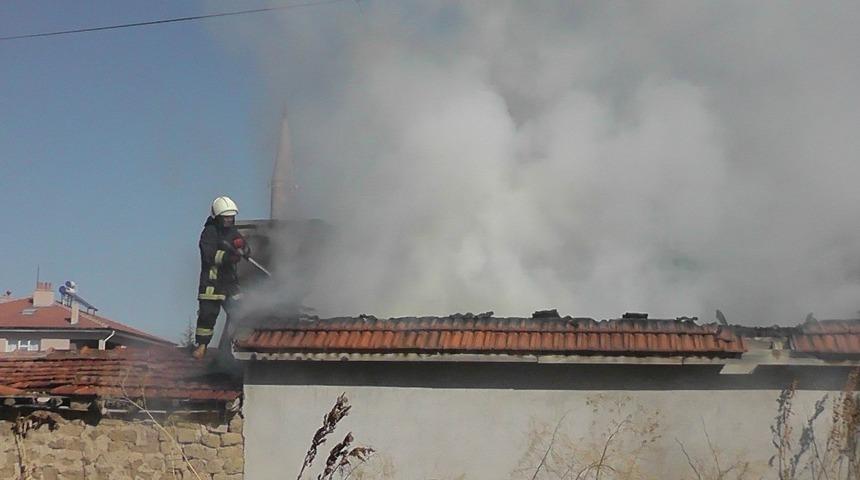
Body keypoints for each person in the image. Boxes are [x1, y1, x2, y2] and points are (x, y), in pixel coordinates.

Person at [192, 196, 250, 359]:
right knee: (207, 316)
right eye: (226, 217)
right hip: (212, 282)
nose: (229, 220)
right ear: (217, 217)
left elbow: (244, 246)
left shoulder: (233, 232)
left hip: (230, 282)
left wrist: (244, 248)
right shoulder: (209, 233)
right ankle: (202, 346)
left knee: (239, 310)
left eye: (231, 217)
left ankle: (228, 346)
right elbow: (208, 256)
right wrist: (228, 257)